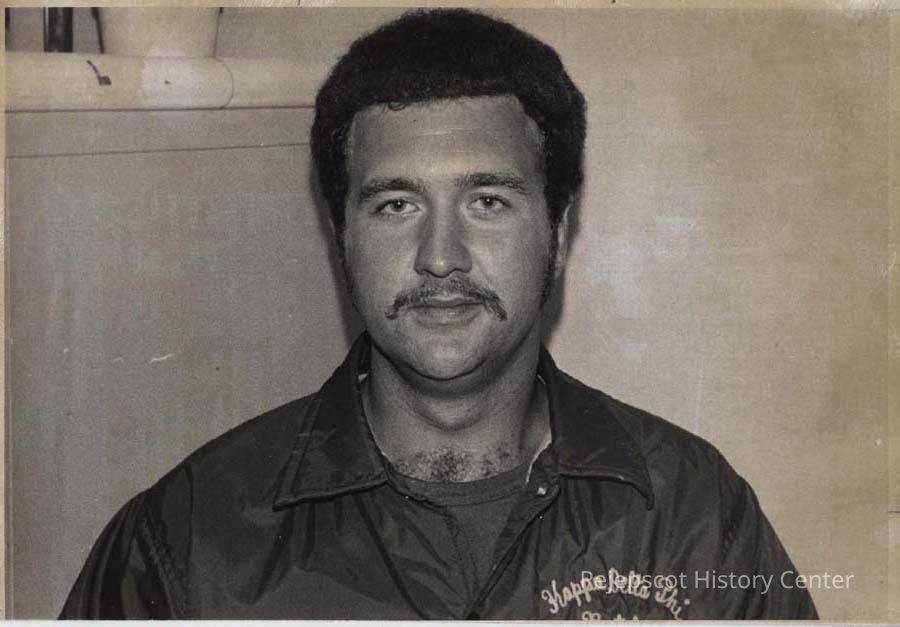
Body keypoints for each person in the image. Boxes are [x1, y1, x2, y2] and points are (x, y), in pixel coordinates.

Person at [60, 9, 818, 620]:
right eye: (397, 205)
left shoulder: (695, 515)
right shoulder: (184, 545)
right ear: (342, 236)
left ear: (556, 234)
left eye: (487, 201)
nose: (441, 257)